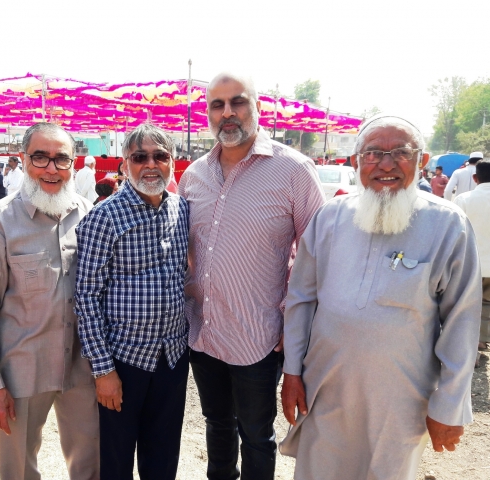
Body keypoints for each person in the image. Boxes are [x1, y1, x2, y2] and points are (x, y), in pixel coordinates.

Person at [280, 115, 481, 480]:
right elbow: (301, 299)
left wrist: (449, 406)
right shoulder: (329, 217)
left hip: (401, 400)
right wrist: (292, 371)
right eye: (373, 153)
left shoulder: (449, 225)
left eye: (401, 152)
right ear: (356, 161)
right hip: (324, 388)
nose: (386, 165)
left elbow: (462, 322)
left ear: (422, 160)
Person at [178, 72, 325, 480]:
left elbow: (317, 254)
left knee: (256, 434)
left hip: (259, 334)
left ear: (257, 107)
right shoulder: (194, 175)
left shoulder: (293, 170)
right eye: (217, 104)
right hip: (204, 331)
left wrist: (293, 321)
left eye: (237, 102)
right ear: (208, 113)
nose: (227, 112)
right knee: (216, 423)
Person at [0, 122, 99, 480]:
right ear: (23, 159)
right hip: (21, 370)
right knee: (18, 471)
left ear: (74, 163)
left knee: (92, 466)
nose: (51, 169)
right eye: (40, 157)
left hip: (81, 366)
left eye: (61, 159)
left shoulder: (89, 215)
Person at [75, 123, 190, 480]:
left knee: (163, 459)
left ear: (172, 162)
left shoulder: (181, 209)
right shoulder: (103, 217)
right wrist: (103, 370)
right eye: (140, 157)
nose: (150, 165)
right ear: (125, 164)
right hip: (124, 361)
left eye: (160, 156)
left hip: (172, 357)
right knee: (116, 462)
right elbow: (87, 297)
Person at [454, 159, 490, 367]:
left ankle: (472, 350)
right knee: (487, 305)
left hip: (471, 263)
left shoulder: (463, 199)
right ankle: (482, 341)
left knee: (469, 306)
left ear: (475, 178)